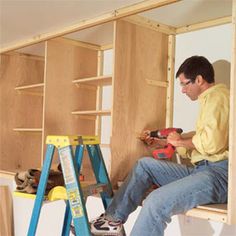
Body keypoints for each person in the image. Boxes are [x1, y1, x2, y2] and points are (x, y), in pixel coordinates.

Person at [90, 56, 229, 236]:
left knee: (156, 202)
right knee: (144, 165)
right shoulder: (210, 100)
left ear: (199, 80)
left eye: (184, 84)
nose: (183, 90)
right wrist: (166, 142)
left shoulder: (217, 97)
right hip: (202, 170)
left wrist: (178, 141)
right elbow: (202, 138)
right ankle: (112, 221)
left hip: (219, 176)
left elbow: (211, 144)